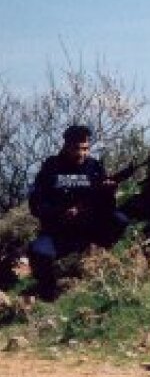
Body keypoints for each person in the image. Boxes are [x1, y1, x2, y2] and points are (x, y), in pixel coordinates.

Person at [27, 125, 129, 300]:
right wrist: (61, 212)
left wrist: (108, 192)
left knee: (119, 219)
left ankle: (99, 257)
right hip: (57, 232)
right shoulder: (51, 168)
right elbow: (35, 204)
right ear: (66, 146)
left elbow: (108, 206)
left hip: (88, 228)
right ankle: (48, 292)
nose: (82, 153)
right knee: (39, 252)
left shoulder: (94, 167)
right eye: (77, 149)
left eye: (86, 149)